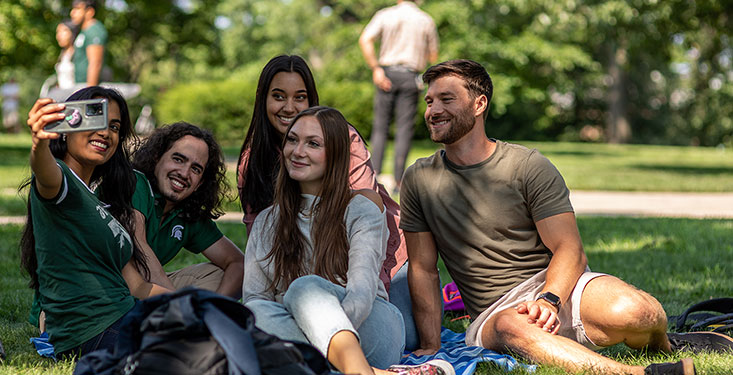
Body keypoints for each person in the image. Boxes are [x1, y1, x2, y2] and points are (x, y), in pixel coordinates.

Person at [401, 60, 733, 375]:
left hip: (558, 286)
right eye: (429, 102)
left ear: (479, 104)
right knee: (510, 326)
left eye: (447, 99)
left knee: (638, 312)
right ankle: (639, 372)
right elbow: (423, 269)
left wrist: (549, 299)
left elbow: (569, 248)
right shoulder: (420, 179)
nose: (433, 111)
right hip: (495, 313)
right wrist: (431, 344)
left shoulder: (527, 165)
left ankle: (663, 344)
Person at [243, 106, 453, 375]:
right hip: (295, 330)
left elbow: (361, 295)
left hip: (371, 327)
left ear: (335, 155)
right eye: (292, 140)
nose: (297, 151)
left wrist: (318, 325)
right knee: (253, 314)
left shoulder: (361, 208)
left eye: (313, 144)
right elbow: (255, 300)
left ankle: (355, 369)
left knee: (305, 289)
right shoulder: (267, 221)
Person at [236, 55, 420, 350]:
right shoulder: (257, 180)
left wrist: (325, 326)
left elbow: (363, 286)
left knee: (310, 292)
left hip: (374, 272)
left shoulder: (356, 191)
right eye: (278, 96)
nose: (289, 107)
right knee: (259, 311)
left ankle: (319, 357)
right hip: (304, 301)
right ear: (263, 99)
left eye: (300, 97)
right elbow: (258, 288)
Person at [20, 86, 171, 358]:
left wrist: (188, 302)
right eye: (95, 120)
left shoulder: (99, 201)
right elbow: (44, 172)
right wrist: (39, 142)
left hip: (125, 315)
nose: (105, 133)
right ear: (67, 123)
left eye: (114, 127)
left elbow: (138, 286)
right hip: (93, 331)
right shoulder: (62, 182)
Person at [130, 122, 244, 299]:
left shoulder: (187, 212)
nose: (184, 173)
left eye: (196, 169)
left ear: (200, 183)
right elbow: (138, 250)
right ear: (156, 158)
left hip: (146, 292)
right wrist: (178, 306)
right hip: (108, 290)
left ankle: (203, 316)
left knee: (218, 275)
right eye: (178, 159)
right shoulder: (135, 184)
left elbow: (238, 263)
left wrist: (217, 308)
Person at [359, 0, 439, 190]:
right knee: (404, 129)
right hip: (411, 76)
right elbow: (433, 55)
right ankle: (398, 181)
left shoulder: (385, 15)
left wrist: (375, 68)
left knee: (380, 127)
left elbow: (365, 39)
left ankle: (374, 176)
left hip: (386, 73)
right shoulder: (425, 20)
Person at [70, 0, 106, 86]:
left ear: (90, 12)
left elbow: (95, 63)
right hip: (79, 86)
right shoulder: (83, 31)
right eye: (73, 9)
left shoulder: (94, 31)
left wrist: (89, 93)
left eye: (77, 9)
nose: (72, 13)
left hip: (87, 89)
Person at [55, 20, 79, 90]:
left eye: (64, 31)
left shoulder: (79, 54)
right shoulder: (62, 55)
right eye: (58, 32)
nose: (59, 35)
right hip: (63, 95)